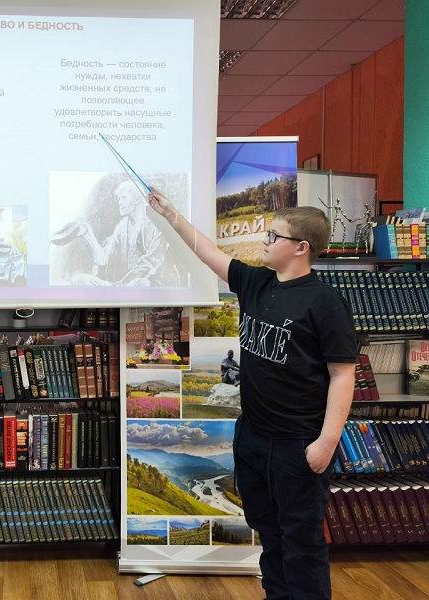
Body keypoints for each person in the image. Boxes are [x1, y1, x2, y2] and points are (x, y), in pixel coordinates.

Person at [148, 192, 356, 600]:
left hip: (297, 444)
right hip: (253, 436)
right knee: (270, 534)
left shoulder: (326, 303)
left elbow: (342, 374)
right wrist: (171, 214)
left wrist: (327, 442)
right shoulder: (256, 282)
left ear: (301, 247)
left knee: (303, 543)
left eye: (274, 236)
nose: (265, 240)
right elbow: (208, 252)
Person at [56, 180, 174, 286]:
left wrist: (123, 284)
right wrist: (88, 235)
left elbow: (151, 261)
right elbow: (103, 259)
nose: (120, 202)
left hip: (145, 283)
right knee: (79, 280)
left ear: (137, 199)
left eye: (124, 197)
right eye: (119, 198)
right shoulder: (122, 226)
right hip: (121, 286)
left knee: (142, 283)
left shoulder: (154, 222)